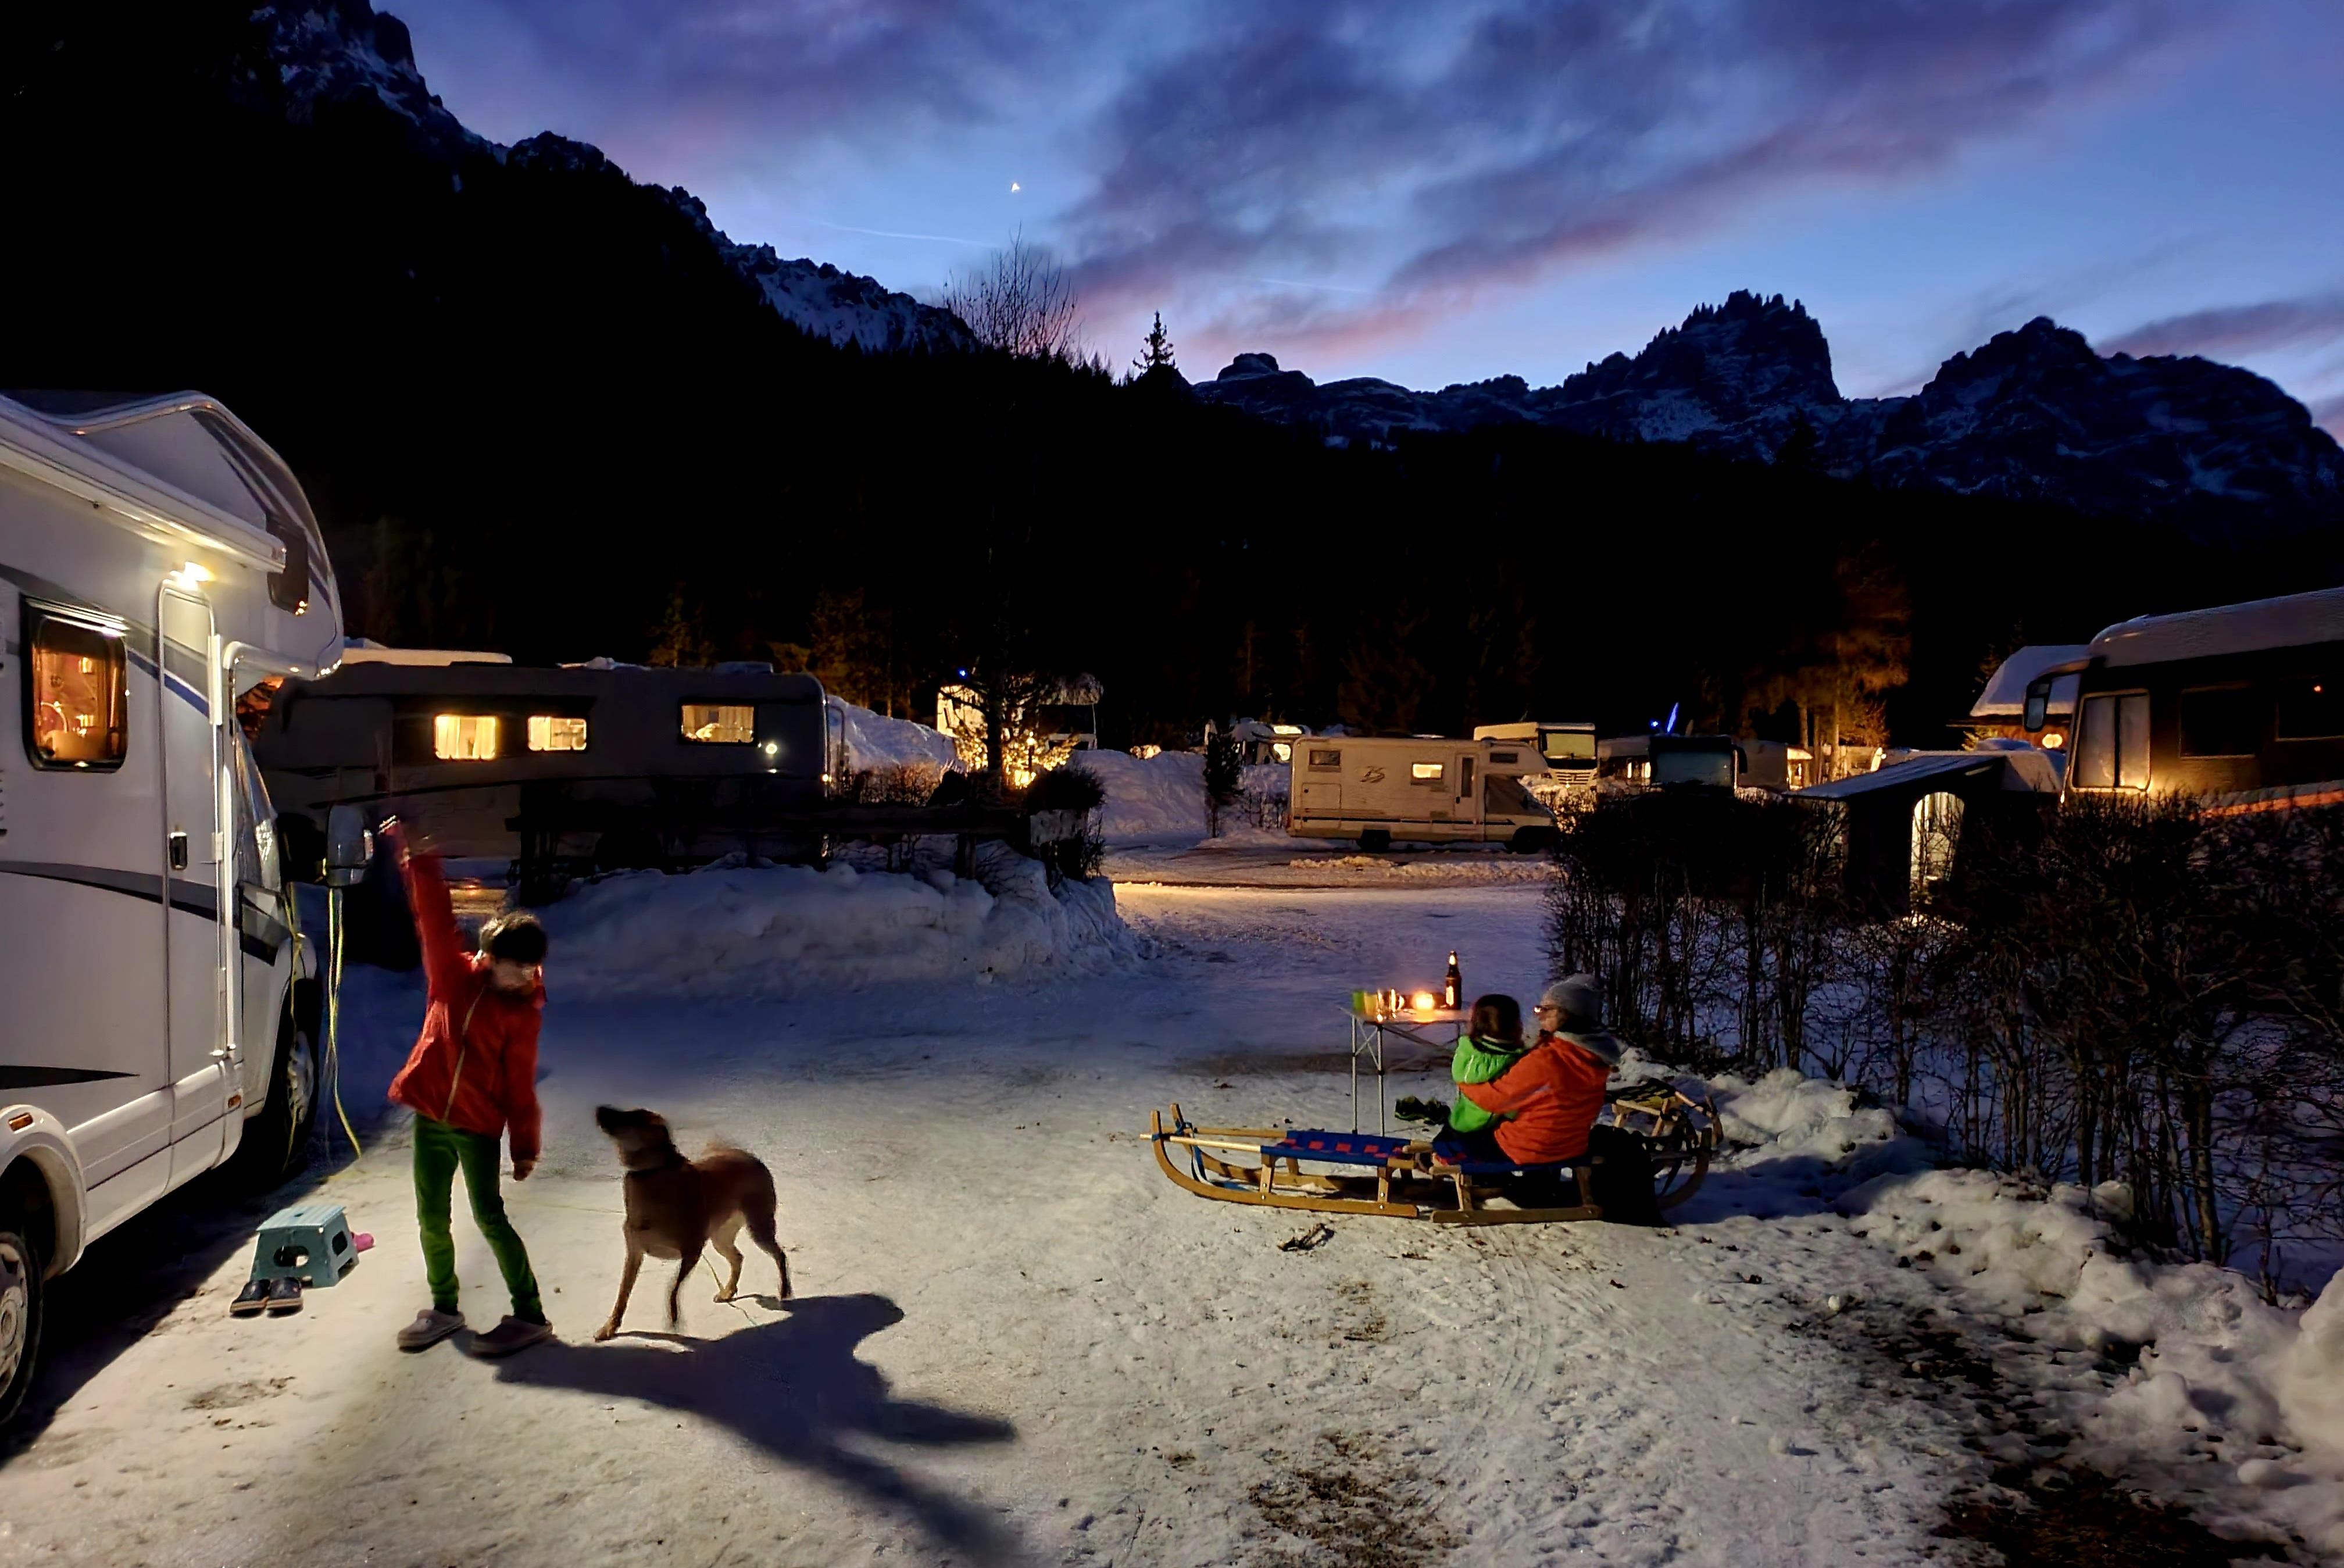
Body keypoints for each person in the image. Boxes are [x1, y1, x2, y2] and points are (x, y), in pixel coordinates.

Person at [384, 819, 556, 1356]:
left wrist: (524, 1145)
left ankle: (529, 1313)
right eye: (514, 969)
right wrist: (421, 864)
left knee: (490, 1216)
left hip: (478, 1127)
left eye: (531, 971)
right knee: (431, 1214)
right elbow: (434, 922)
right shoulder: (452, 978)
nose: (523, 979)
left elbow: (520, 1087)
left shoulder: (522, 1015)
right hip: (432, 1117)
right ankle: (443, 1307)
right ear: (488, 959)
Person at [1446, 974, 1661, 1224]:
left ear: (1568, 1015)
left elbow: (1495, 1100)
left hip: (1529, 1148)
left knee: (1462, 1132)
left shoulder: (1549, 1060)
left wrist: (1465, 1083)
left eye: (1547, 1010)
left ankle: (1495, 1183)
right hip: (1571, 1144)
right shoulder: (1594, 1059)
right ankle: (1536, 1183)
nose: (1539, 1014)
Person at [1444, 995, 1532, 1139]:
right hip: (1489, 1131)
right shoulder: (1516, 1062)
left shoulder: (1468, 1053)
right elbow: (1513, 1107)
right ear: (1516, 1025)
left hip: (1460, 1122)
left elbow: (1459, 1075)